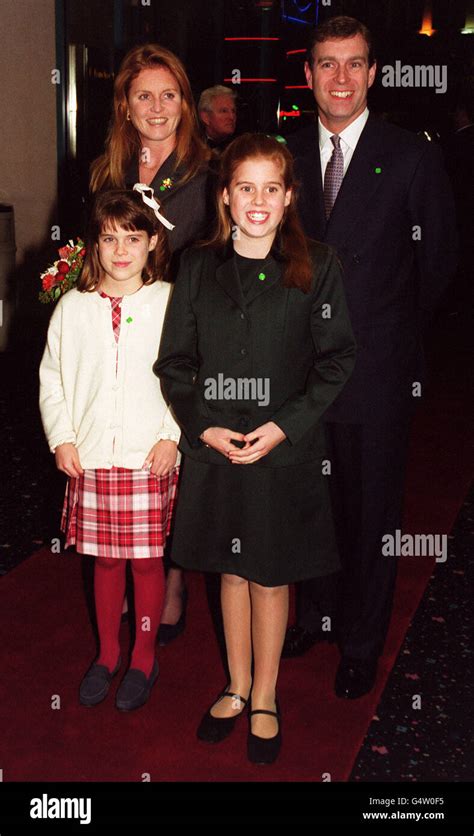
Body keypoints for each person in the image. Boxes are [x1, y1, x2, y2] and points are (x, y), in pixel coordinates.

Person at [154, 133, 356, 763]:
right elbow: (175, 362)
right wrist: (203, 424)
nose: (258, 200)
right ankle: (236, 686)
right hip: (217, 449)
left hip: (280, 451)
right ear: (225, 197)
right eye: (246, 187)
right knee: (231, 570)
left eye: (272, 188)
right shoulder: (196, 266)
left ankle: (266, 694)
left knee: (270, 576)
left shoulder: (316, 265)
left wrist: (284, 427)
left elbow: (337, 358)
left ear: (290, 196)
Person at [282, 16, 458, 699]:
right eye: (328, 64)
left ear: (374, 73)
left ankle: (360, 641)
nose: (341, 78)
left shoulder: (408, 153)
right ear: (308, 76)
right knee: (311, 504)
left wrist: (390, 335)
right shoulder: (285, 155)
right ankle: (318, 616)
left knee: (373, 512)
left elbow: (438, 262)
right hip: (299, 373)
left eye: (355, 64)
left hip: (377, 371)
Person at [39, 188, 181, 711]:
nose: (120, 250)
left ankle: (144, 656)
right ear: (93, 247)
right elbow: (52, 378)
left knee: (146, 563)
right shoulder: (73, 309)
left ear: (152, 243)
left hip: (149, 454)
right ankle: (107, 653)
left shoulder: (168, 301)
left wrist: (173, 434)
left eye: (132, 238)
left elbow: (187, 376)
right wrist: (62, 437)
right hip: (94, 455)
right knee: (104, 563)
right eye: (108, 239)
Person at [90, 43, 213, 642]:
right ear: (126, 106)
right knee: (121, 452)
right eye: (144, 95)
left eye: (169, 95)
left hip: (183, 333)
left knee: (173, 456)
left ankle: (173, 574)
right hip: (119, 337)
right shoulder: (105, 171)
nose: (157, 107)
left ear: (186, 105)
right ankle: (123, 561)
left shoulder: (209, 172)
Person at [198, 85, 237, 151]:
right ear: (205, 117)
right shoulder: (190, 146)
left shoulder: (240, 146)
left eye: (233, 111)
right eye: (224, 111)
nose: (232, 117)